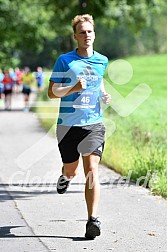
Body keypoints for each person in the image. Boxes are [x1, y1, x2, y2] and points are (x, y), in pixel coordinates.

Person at [48, 14, 111, 239]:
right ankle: (65, 177)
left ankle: (92, 220)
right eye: (82, 32)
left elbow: (98, 77)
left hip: (93, 123)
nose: (86, 35)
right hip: (67, 126)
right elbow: (52, 92)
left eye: (90, 32)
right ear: (75, 36)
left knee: (92, 171)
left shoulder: (102, 60)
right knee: (71, 170)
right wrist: (73, 88)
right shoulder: (65, 61)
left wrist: (102, 93)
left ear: (94, 34)